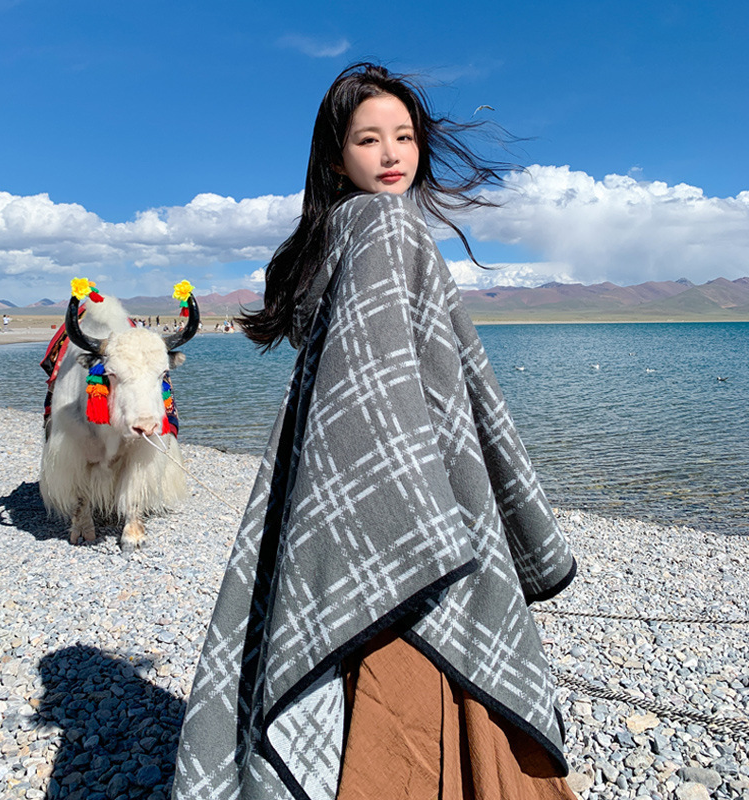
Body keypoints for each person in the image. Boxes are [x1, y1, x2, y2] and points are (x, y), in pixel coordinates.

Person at [173, 63, 577, 800]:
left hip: (340, 505)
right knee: (417, 672)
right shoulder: (385, 226)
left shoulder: (336, 236)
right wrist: (432, 503)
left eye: (405, 136)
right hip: (411, 511)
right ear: (337, 159)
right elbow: (386, 405)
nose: (391, 154)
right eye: (368, 140)